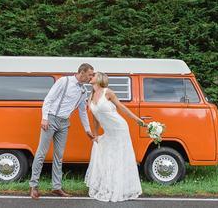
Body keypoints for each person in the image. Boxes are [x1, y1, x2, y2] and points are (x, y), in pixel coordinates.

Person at [29, 63, 95, 199]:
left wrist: (87, 130)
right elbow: (49, 99)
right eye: (89, 74)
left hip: (65, 123)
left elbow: (82, 112)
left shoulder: (84, 91)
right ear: (82, 72)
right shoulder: (63, 81)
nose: (91, 77)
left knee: (59, 156)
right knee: (41, 153)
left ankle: (56, 187)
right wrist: (44, 118)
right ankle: (33, 186)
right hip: (51, 119)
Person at [84, 72, 144, 202]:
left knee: (118, 157)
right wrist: (95, 136)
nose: (90, 77)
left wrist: (136, 119)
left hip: (119, 128)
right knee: (106, 155)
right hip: (108, 132)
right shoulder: (91, 96)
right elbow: (95, 119)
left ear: (99, 79)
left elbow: (121, 107)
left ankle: (121, 189)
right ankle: (110, 186)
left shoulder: (108, 92)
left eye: (93, 75)